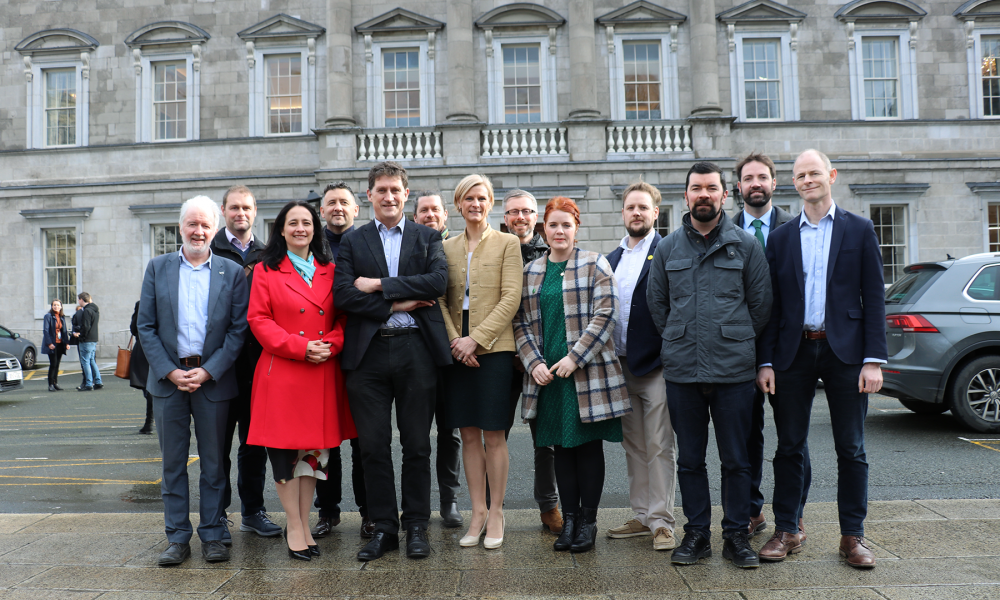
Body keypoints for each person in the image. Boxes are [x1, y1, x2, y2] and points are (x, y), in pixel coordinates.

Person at [756, 149, 887, 568]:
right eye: (800, 175)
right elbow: (771, 307)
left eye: (814, 173)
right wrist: (766, 361)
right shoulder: (780, 237)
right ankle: (788, 529)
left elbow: (875, 298)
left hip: (845, 352)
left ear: (830, 175)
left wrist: (873, 359)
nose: (808, 180)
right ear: (792, 183)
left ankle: (853, 537)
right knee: (790, 446)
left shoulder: (860, 230)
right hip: (793, 353)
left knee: (851, 447)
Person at [646, 162, 771, 569]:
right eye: (696, 188)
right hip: (683, 371)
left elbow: (760, 306)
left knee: (737, 458)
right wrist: (683, 338)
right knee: (690, 460)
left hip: (734, 372)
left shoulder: (746, 246)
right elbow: (658, 306)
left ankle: (736, 534)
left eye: (711, 188)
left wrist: (727, 339)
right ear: (686, 196)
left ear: (724, 194)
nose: (704, 194)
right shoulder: (666, 249)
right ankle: (697, 533)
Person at [333, 161, 451, 561]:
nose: (388, 197)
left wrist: (380, 285)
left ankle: (417, 524)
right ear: (369, 196)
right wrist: (397, 302)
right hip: (367, 354)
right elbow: (344, 295)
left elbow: (437, 282)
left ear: (406, 194)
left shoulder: (425, 236)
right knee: (373, 447)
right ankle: (384, 528)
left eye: (394, 190)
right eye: (380, 190)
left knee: (418, 444)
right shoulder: (353, 240)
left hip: (415, 350)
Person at [513, 196, 630, 554]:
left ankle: (589, 523)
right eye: (553, 225)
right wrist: (533, 362)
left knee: (587, 448)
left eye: (566, 224)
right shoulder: (532, 271)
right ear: (543, 229)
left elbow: (606, 315)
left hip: (586, 374)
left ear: (576, 228)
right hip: (547, 375)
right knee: (560, 448)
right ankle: (570, 520)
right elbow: (520, 323)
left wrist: (574, 358)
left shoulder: (596, 264)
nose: (559, 230)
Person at [137, 195, 249, 566]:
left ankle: (214, 534)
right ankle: (177, 538)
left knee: (215, 464)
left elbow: (237, 331)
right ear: (180, 227)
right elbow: (146, 327)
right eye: (192, 224)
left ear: (214, 230)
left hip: (212, 379)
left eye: (205, 225)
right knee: (172, 465)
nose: (198, 231)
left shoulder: (231, 272)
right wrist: (170, 371)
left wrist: (209, 370)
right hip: (168, 380)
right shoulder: (158, 268)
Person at [246, 200, 357, 561]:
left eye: (306, 223)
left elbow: (343, 319)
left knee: (313, 457)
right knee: (283, 457)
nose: (300, 229)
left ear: (315, 228)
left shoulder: (329, 268)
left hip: (322, 371)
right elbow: (259, 320)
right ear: (281, 229)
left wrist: (333, 344)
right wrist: (302, 347)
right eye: (292, 223)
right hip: (284, 371)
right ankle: (294, 526)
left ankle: (306, 524)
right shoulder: (265, 270)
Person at [438, 174, 522, 549]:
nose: (475, 204)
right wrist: (457, 340)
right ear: (458, 204)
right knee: (467, 433)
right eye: (468, 198)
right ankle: (477, 511)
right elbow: (439, 298)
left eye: (482, 198)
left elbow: (511, 297)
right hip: (458, 348)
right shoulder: (446, 246)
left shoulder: (508, 243)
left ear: (491, 204)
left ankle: (498, 510)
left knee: (493, 433)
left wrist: (477, 340)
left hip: (494, 347)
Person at [731, 152, 805, 540]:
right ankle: (752, 510)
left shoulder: (795, 231)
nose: (756, 183)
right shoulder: (724, 233)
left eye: (763, 177)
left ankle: (793, 514)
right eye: (748, 178)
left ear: (775, 184)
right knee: (747, 435)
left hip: (787, 351)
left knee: (793, 437)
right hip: (739, 351)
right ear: (738, 187)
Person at [604, 182, 677, 551]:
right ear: (623, 213)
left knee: (659, 443)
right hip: (619, 365)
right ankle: (642, 515)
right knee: (633, 445)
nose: (636, 213)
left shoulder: (666, 250)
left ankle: (663, 521)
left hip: (657, 366)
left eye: (643, 208)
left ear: (655, 213)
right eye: (631, 207)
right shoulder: (611, 258)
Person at [208, 184, 282, 544]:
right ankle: (217, 516)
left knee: (254, 446)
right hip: (218, 368)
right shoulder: (207, 248)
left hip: (257, 368)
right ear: (223, 210)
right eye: (234, 207)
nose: (241, 213)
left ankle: (252, 511)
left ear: (255, 212)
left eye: (247, 207)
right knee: (217, 448)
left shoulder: (269, 254)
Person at [313, 181, 375, 539]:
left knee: (364, 440)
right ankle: (328, 511)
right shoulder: (310, 245)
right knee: (324, 441)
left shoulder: (367, 242)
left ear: (356, 209)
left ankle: (368, 512)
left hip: (362, 352)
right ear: (322, 210)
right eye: (331, 202)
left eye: (344, 203)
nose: (338, 207)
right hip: (322, 354)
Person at [501, 188, 562, 534]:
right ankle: (492, 507)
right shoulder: (493, 248)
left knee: (546, 439)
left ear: (535, 216)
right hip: (500, 357)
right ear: (505, 216)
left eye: (526, 211)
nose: (520, 218)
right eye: (513, 212)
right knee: (495, 436)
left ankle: (548, 505)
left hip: (539, 359)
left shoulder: (550, 251)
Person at [413, 189, 464, 529]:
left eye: (435, 210)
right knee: (415, 435)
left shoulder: (460, 249)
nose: (430, 215)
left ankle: (450, 500)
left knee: (451, 433)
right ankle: (417, 505)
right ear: (415, 217)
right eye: (423, 211)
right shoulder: (407, 249)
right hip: (416, 351)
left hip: (453, 352)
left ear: (445, 214)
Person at [128, 301, 153, 434]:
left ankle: (149, 423)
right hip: (163, 348)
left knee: (148, 387)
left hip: (144, 349)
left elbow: (134, 328)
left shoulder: (141, 304)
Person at [74, 292, 102, 391]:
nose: (78, 302)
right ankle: (98, 381)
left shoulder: (86, 311)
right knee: (92, 361)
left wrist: (79, 334)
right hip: (94, 338)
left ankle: (89, 383)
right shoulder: (95, 310)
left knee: (85, 361)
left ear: (82, 299)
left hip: (86, 340)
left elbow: (86, 326)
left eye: (79, 300)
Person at [41, 299, 69, 392]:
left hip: (60, 343)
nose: (56, 307)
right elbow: (45, 330)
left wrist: (67, 343)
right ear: (52, 306)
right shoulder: (48, 316)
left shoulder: (62, 317)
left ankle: (55, 383)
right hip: (52, 343)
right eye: (54, 305)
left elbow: (64, 331)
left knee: (57, 364)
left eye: (57, 305)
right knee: (53, 364)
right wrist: (49, 343)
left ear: (61, 307)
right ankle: (50, 384)